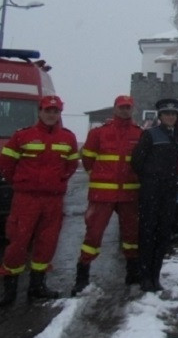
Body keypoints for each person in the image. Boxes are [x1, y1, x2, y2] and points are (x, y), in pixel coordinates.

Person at [0, 96, 79, 305]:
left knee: (47, 243)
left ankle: (37, 287)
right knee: (18, 243)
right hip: (26, 199)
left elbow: (71, 165)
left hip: (53, 200)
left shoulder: (67, 138)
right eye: (48, 111)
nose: (51, 115)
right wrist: (20, 181)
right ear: (40, 111)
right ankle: (9, 291)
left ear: (60, 114)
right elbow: (7, 163)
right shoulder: (23, 136)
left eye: (55, 111)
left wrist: (58, 180)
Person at [72, 95, 143, 295]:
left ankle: (132, 273)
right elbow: (87, 159)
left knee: (131, 236)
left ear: (132, 109)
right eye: (121, 107)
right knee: (93, 235)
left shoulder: (139, 134)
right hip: (102, 195)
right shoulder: (99, 133)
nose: (124, 110)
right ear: (115, 108)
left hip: (129, 194)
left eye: (128, 107)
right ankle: (82, 276)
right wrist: (98, 177)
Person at [130, 98, 178, 292]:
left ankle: (155, 275)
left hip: (169, 192)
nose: (170, 117)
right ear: (160, 116)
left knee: (163, 234)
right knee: (147, 233)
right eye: (166, 114)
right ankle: (145, 276)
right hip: (151, 191)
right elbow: (137, 161)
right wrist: (150, 179)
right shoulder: (150, 135)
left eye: (173, 114)